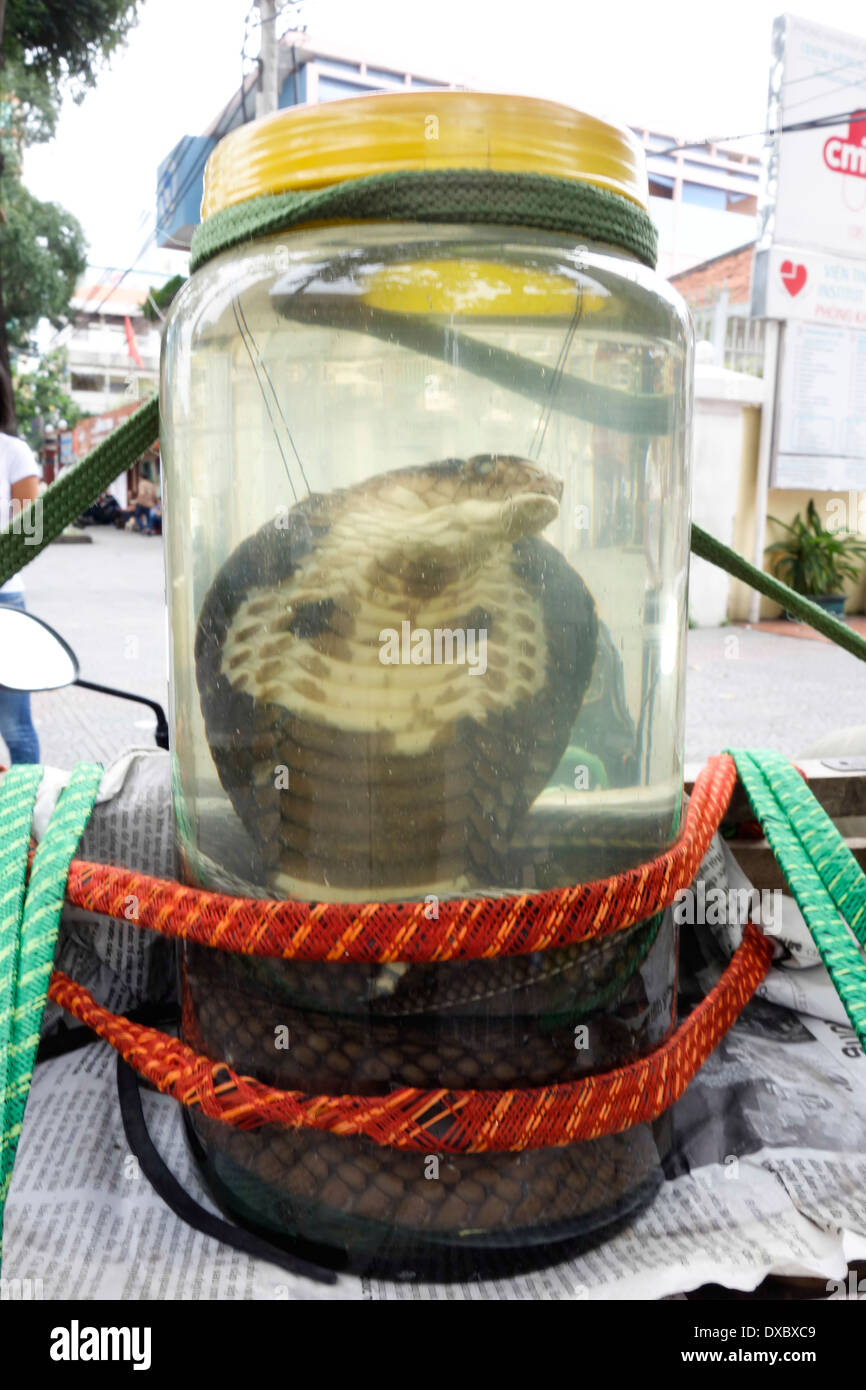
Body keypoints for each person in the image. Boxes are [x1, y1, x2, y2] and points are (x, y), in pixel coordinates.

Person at [0, 363, 41, 762]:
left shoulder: (14, 451)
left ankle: (26, 818)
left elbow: (31, 531)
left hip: (4, 601)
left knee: (15, 727)